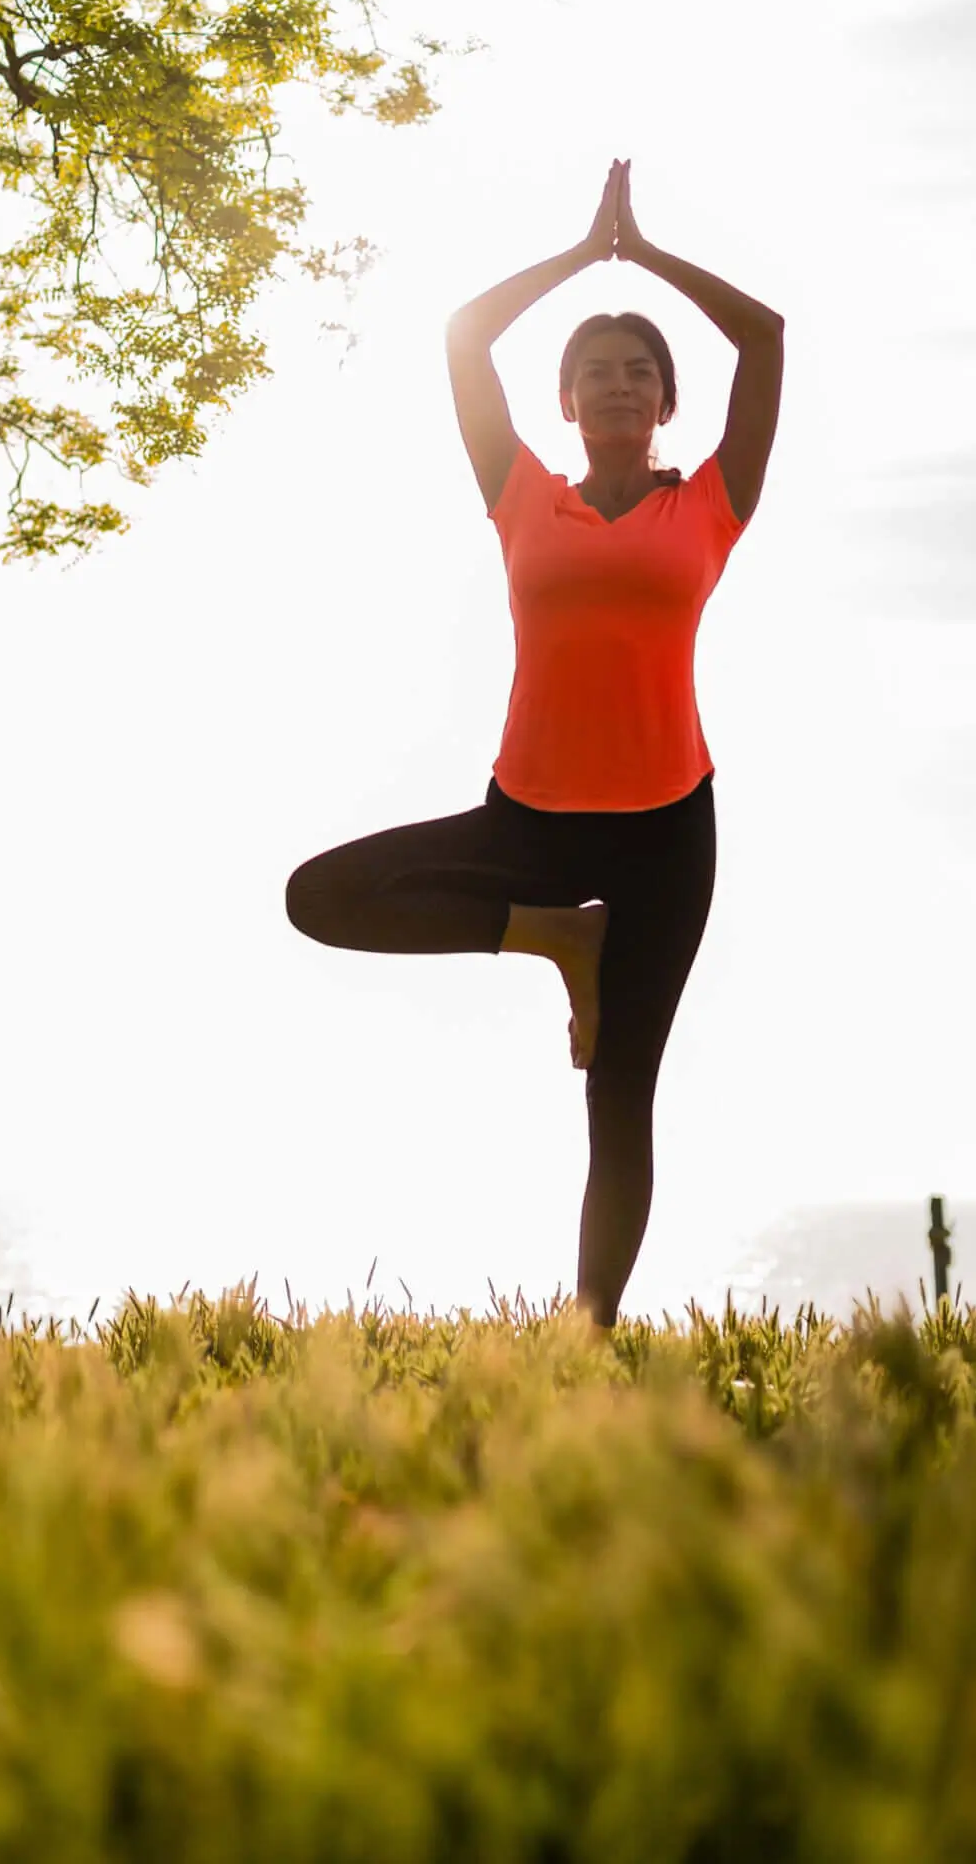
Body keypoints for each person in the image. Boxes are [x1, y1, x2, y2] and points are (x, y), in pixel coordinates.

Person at [284, 161, 782, 1330]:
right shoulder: (522, 493)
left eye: (639, 372)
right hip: (531, 823)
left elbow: (763, 338)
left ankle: (587, 1338)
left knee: (622, 1100)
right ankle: (555, 938)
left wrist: (644, 253)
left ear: (666, 401)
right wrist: (578, 255)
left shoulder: (711, 502)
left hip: (668, 830)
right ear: (565, 403)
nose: (617, 385)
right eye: (595, 373)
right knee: (323, 896)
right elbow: (464, 335)